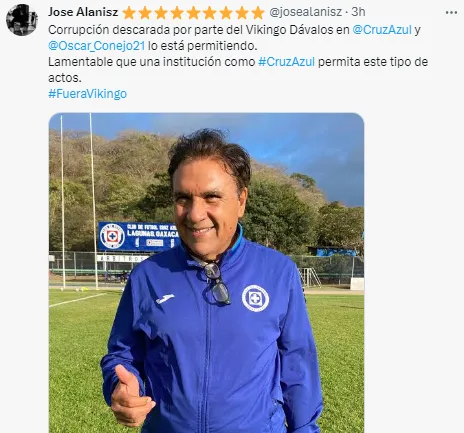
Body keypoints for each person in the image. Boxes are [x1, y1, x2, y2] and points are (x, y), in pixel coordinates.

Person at [100, 129, 323, 433]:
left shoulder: (278, 272)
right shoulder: (147, 276)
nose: (195, 214)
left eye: (211, 197)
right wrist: (120, 386)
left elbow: (298, 365)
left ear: (241, 201)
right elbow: (122, 354)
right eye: (183, 198)